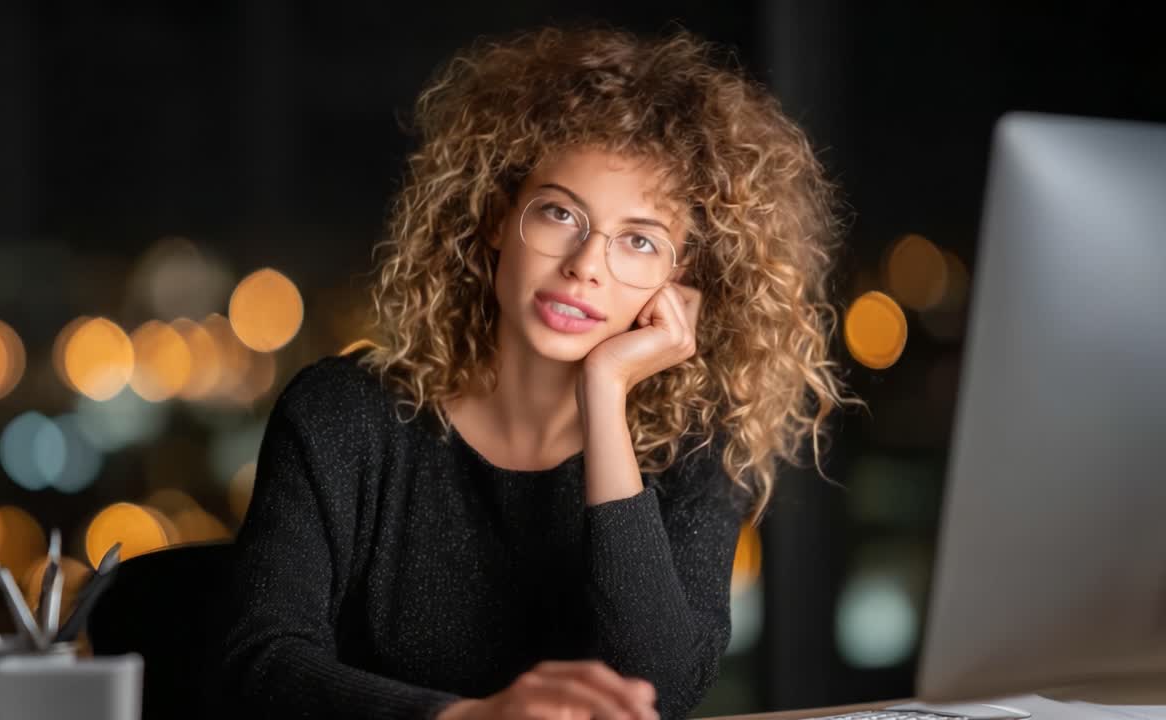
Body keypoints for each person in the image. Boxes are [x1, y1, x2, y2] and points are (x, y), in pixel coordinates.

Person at [219, 24, 856, 720]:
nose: (586, 265)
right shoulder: (344, 416)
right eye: (560, 214)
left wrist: (605, 394)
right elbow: (262, 664)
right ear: (498, 218)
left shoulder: (693, 449)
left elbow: (663, 694)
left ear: (680, 282)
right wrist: (468, 719)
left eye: (639, 241)